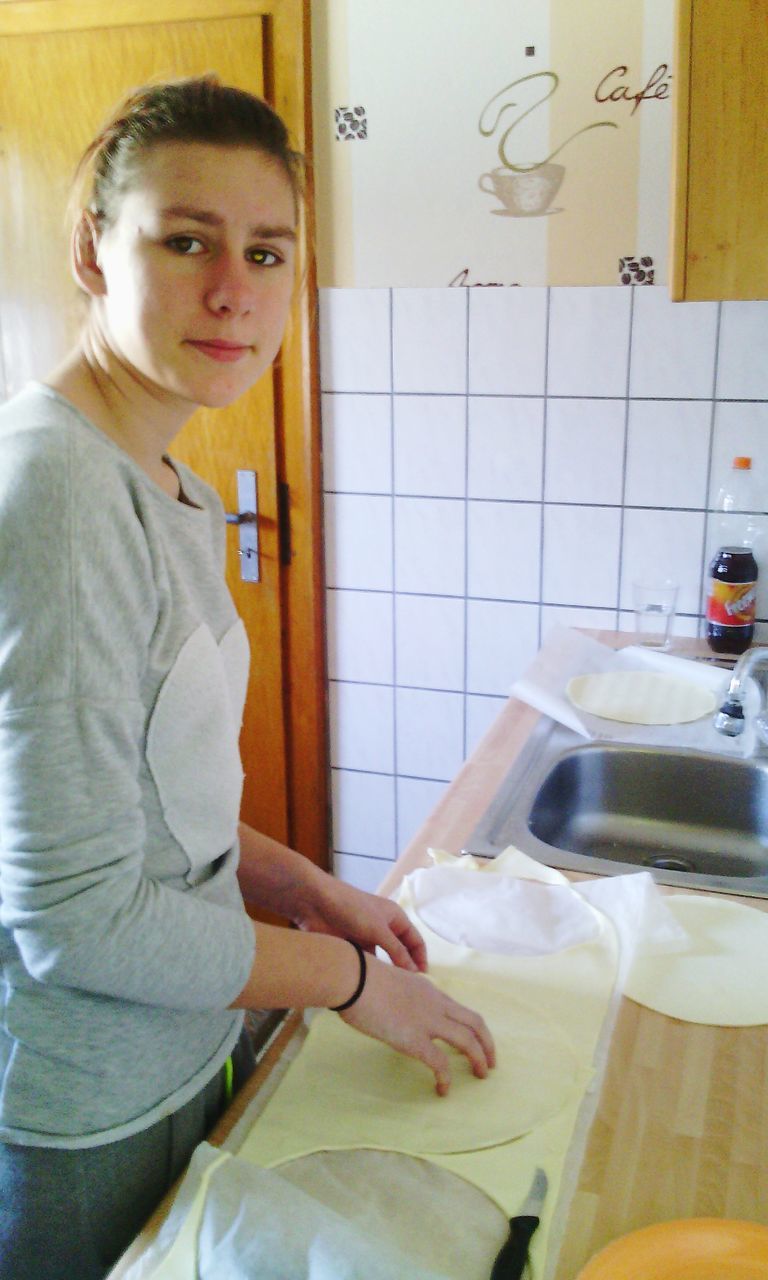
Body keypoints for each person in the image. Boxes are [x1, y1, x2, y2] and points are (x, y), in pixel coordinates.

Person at [0, 75, 495, 1279]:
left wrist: (306, 885)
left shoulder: (175, 484)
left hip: (189, 1037)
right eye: (185, 240)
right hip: (83, 1106)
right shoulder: (59, 495)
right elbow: (73, 919)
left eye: (267, 251)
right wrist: (343, 980)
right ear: (91, 250)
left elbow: (159, 796)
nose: (235, 290)